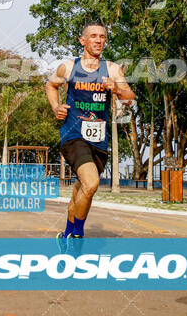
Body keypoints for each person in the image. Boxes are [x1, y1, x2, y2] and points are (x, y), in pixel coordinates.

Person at [46, 23, 135, 240]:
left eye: (102, 37)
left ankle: (65, 235)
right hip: (74, 135)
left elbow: (130, 99)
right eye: (93, 36)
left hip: (99, 140)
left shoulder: (112, 69)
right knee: (91, 183)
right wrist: (56, 107)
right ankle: (76, 236)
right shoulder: (68, 68)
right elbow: (51, 86)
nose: (98, 40)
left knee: (81, 189)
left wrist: (116, 88)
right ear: (82, 41)